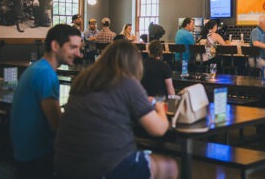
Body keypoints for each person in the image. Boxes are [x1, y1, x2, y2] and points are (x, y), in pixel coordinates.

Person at [54, 40, 178, 179]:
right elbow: (158, 129)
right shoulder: (128, 82)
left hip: (65, 163)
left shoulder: (83, 79)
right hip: (105, 168)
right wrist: (160, 108)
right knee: (169, 167)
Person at [10, 24, 82, 178]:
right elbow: (57, 125)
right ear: (55, 46)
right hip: (36, 158)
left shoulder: (36, 68)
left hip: (22, 152)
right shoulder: (46, 75)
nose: (79, 53)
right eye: (73, 47)